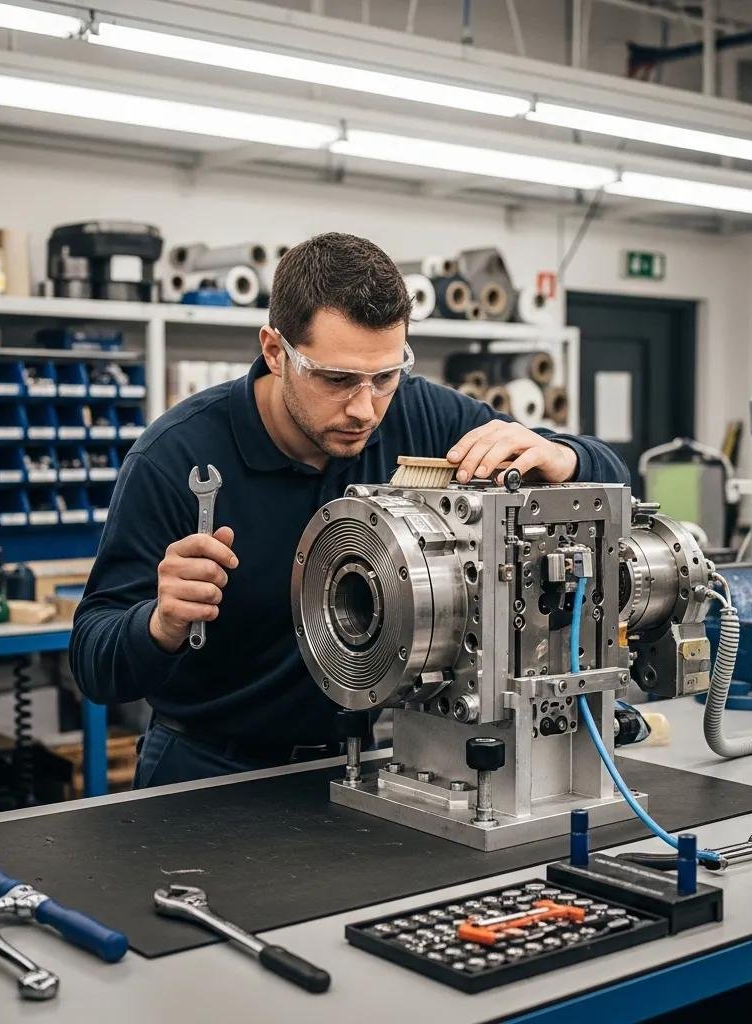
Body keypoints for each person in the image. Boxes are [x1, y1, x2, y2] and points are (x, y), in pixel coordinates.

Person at [71, 232, 629, 788]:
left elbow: (612, 484)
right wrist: (159, 624)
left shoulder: (419, 415)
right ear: (275, 351)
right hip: (206, 773)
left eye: (385, 376)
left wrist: (566, 458)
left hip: (361, 766)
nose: (364, 409)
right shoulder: (175, 457)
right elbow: (93, 662)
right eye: (336, 380)